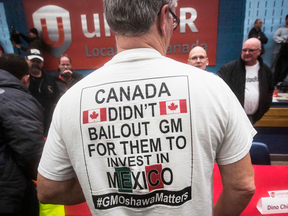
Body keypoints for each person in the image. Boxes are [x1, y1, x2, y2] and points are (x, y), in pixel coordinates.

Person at [37, 1, 256, 215]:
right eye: (174, 19)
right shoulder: (212, 88)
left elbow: (49, 190)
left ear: (111, 23)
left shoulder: (72, 99)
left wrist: (106, 183)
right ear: (164, 17)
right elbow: (242, 186)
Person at [0, 53, 45, 216]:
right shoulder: (15, 98)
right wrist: (46, 178)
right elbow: (30, 148)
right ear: (25, 79)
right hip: (8, 190)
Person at [217, 38, 274, 125]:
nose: (247, 53)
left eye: (251, 50)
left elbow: (269, 91)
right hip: (232, 118)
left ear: (259, 51)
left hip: (253, 117)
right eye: (244, 50)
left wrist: (263, 108)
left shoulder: (266, 71)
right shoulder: (228, 69)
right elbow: (217, 87)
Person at [25, 48, 59, 136]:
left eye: (38, 61)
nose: (35, 63)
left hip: (49, 124)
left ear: (42, 63)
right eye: (33, 61)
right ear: (26, 59)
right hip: (29, 124)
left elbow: (56, 99)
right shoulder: (22, 79)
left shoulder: (49, 79)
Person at [272, 14, 288, 85]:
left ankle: (280, 82)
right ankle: (273, 82)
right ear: (286, 20)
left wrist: (282, 37)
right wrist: (284, 40)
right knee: (276, 67)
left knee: (284, 69)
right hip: (278, 51)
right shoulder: (280, 29)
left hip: (286, 53)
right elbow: (275, 37)